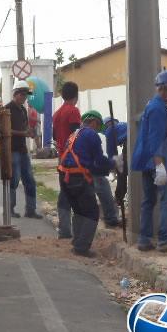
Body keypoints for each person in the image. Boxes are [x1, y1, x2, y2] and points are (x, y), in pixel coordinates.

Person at [131, 70, 167, 253]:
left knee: (149, 200)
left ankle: (144, 239)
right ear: (160, 89)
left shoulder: (153, 106)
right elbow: (155, 140)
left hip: (146, 161)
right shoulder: (158, 109)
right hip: (155, 162)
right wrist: (160, 166)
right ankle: (165, 239)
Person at [58, 110, 123, 257]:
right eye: (98, 125)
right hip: (77, 177)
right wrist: (114, 162)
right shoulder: (91, 134)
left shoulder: (75, 134)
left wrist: (109, 165)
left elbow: (92, 164)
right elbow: (98, 160)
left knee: (80, 211)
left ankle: (77, 242)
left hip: (65, 176)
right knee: (92, 213)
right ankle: (81, 248)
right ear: (93, 121)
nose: (97, 129)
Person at [5, 79, 42, 219]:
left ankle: (30, 210)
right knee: (13, 180)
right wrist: (23, 133)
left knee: (30, 180)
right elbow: (5, 129)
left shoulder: (22, 110)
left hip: (22, 150)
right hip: (12, 149)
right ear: (16, 93)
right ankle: (10, 208)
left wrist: (30, 132)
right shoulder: (7, 109)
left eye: (26, 95)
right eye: (23, 94)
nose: (25, 97)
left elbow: (25, 127)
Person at [52, 82, 81, 238]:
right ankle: (78, 232)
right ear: (75, 96)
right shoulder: (73, 111)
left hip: (61, 158)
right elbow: (76, 137)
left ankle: (64, 229)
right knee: (77, 194)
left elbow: (55, 136)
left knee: (64, 193)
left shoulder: (57, 114)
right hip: (73, 160)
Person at [103, 116, 128, 214]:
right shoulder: (123, 125)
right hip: (136, 142)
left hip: (129, 143)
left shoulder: (109, 131)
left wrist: (113, 166)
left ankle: (119, 198)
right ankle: (121, 196)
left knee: (122, 172)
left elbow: (111, 152)